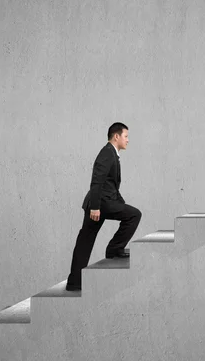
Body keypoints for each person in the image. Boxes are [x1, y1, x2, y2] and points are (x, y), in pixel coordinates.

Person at [66, 122, 142, 291]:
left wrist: (120, 204)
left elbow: (111, 186)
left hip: (102, 202)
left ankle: (74, 282)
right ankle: (114, 249)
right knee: (134, 215)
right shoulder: (107, 153)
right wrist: (94, 207)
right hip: (100, 204)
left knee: (85, 241)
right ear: (116, 136)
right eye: (126, 136)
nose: (128, 140)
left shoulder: (111, 154)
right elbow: (97, 181)